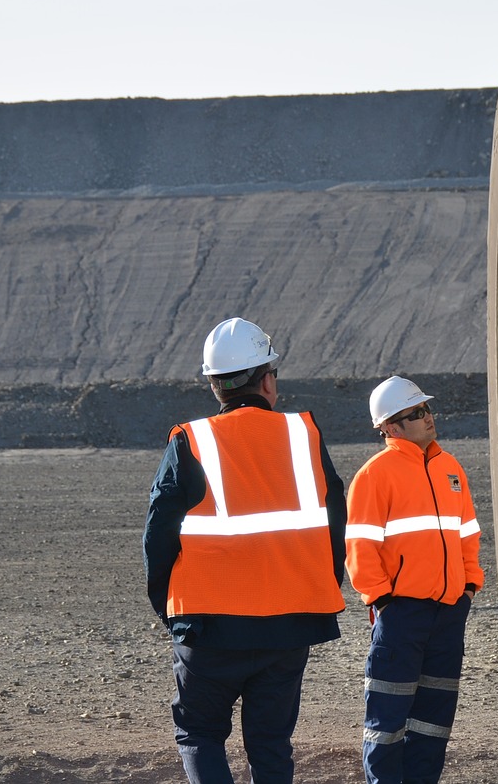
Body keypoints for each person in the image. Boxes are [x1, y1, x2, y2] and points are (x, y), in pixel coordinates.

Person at [142, 317, 347, 784]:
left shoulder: (189, 440)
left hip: (209, 625)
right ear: (268, 381)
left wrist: (169, 609)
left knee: (200, 732)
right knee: (271, 743)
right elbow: (336, 521)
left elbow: (158, 534)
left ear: (216, 386)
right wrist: (315, 590)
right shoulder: (305, 436)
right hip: (292, 623)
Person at [344, 375, 486, 784]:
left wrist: (468, 587)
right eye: (416, 413)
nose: (429, 417)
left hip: (447, 615)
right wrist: (383, 600)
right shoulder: (375, 475)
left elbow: (468, 533)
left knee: (433, 722)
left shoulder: (450, 467)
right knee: (386, 722)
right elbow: (360, 546)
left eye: (427, 409)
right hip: (401, 617)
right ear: (390, 426)